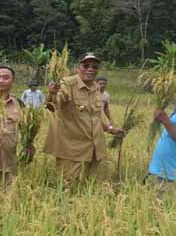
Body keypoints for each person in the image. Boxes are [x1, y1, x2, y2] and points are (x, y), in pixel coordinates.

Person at [43, 53, 124, 185]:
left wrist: (110, 129)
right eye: (85, 65)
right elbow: (53, 106)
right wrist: (52, 93)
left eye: (94, 66)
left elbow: (94, 117)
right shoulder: (67, 84)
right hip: (71, 149)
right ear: (77, 68)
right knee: (67, 186)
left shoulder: (96, 87)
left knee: (93, 186)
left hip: (95, 148)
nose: (90, 69)